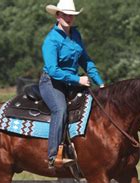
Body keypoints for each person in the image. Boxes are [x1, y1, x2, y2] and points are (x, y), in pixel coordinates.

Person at [40, 0, 105, 169]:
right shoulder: (51, 40)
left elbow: (86, 60)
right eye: (65, 15)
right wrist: (78, 80)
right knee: (60, 110)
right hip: (52, 82)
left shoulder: (76, 35)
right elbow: (53, 70)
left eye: (71, 15)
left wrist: (101, 83)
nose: (69, 18)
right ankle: (53, 156)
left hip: (72, 82)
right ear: (58, 15)